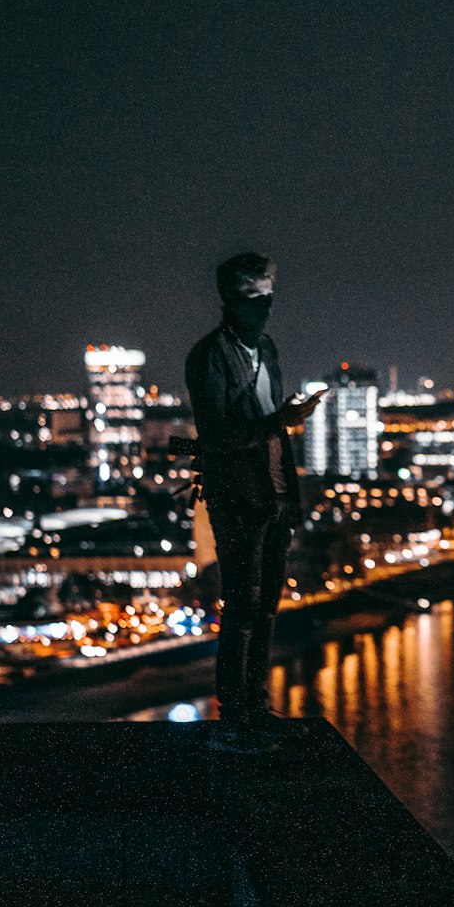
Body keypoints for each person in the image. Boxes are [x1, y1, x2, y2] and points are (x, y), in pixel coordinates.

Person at [185, 252, 325, 753]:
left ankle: (258, 710)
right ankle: (235, 716)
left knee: (266, 607)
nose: (266, 308)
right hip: (237, 497)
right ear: (230, 301)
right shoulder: (209, 357)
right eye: (256, 298)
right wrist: (281, 421)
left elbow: (271, 430)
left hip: (274, 492)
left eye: (270, 296)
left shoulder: (267, 348)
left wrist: (291, 493)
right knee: (242, 607)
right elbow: (218, 436)